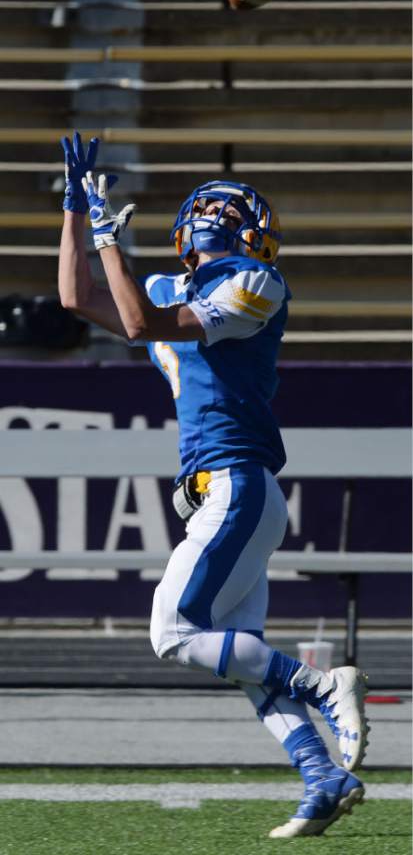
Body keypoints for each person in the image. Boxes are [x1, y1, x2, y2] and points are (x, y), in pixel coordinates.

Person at [58, 131, 368, 839]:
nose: (264, 237)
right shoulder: (177, 287)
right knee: (240, 656)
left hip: (237, 481)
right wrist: (76, 211)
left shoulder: (254, 285)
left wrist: (109, 235)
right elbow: (78, 299)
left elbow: (138, 322)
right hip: (223, 491)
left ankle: (323, 683)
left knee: (172, 632)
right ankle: (323, 777)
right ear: (226, 224)